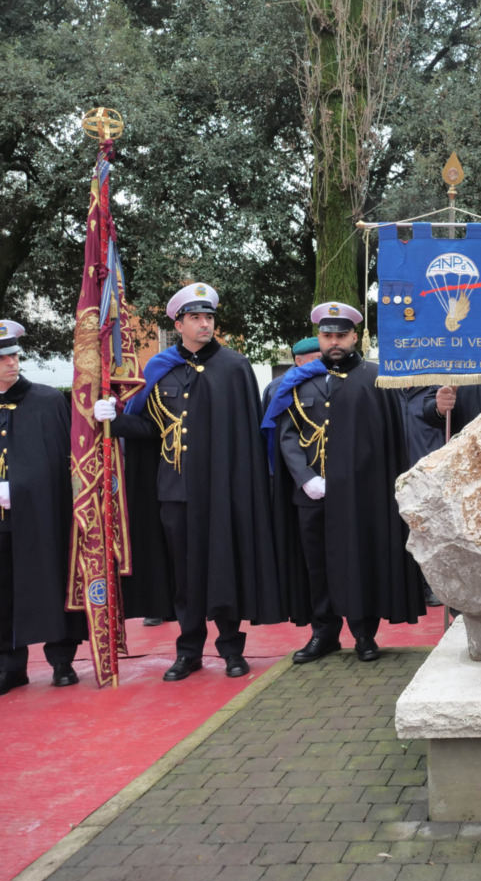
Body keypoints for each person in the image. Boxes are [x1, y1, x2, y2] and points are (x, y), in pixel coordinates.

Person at [95, 284, 280, 681]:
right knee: (185, 574)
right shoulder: (159, 368)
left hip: (224, 490)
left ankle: (231, 648)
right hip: (174, 490)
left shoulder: (234, 367)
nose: (204, 324)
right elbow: (148, 427)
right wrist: (112, 418)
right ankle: (189, 650)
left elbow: (247, 436)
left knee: (224, 567)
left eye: (209, 317)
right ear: (178, 324)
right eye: (195, 318)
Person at [265, 301, 425, 663]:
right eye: (327, 335)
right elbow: (287, 435)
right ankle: (323, 633)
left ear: (355, 337)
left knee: (360, 559)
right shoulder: (297, 381)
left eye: (341, 335)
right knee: (316, 564)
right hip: (312, 493)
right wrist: (305, 479)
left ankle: (364, 634)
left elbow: (386, 439)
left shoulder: (375, 378)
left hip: (360, 494)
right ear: (318, 338)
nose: (334, 341)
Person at [0, 321, 86, 694]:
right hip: (3, 521)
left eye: (15, 355)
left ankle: (62, 661)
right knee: (3, 591)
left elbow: (63, 461)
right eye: (3, 358)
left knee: (52, 581)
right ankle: (10, 665)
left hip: (44, 515)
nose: (11, 363)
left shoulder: (48, 401)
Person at [263, 337, 322, 410]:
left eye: (324, 359)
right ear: (299, 361)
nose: (322, 363)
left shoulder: (330, 380)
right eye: (317, 359)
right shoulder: (277, 387)